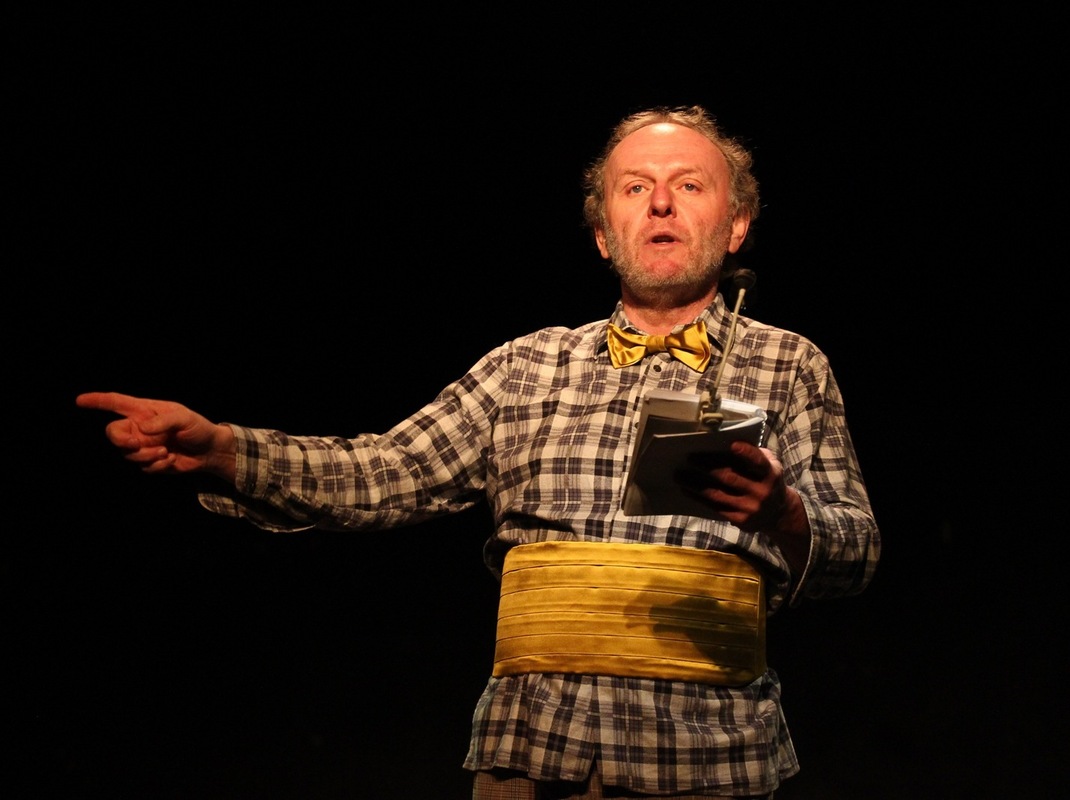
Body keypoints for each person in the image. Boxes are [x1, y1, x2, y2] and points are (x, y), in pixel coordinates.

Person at [77, 105, 880, 799]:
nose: (661, 203)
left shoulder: (789, 365)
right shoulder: (524, 367)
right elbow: (381, 473)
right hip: (532, 754)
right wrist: (223, 450)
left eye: (689, 185)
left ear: (737, 223)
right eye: (635, 188)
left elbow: (858, 549)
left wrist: (786, 515)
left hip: (710, 757)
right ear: (603, 233)